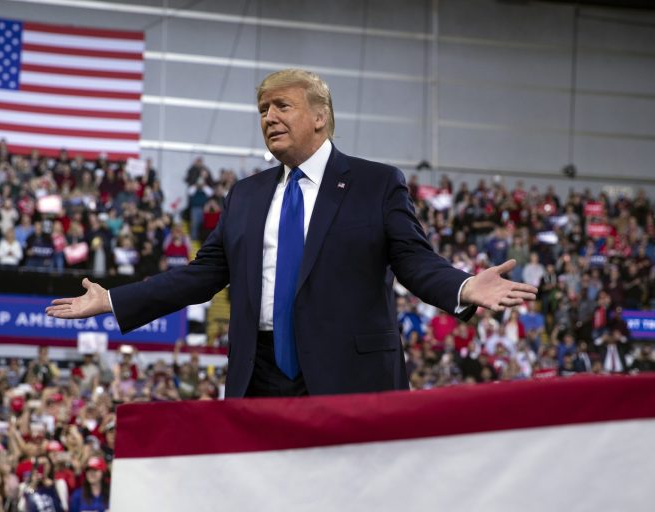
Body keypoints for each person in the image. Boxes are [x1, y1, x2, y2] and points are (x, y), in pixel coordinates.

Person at [47, 69, 536, 398]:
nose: (269, 117)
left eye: (282, 105)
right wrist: (114, 300)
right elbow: (201, 276)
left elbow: (413, 260)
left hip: (348, 374)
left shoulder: (376, 183)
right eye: (263, 109)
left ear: (321, 117)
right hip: (258, 375)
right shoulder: (244, 195)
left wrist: (463, 285)